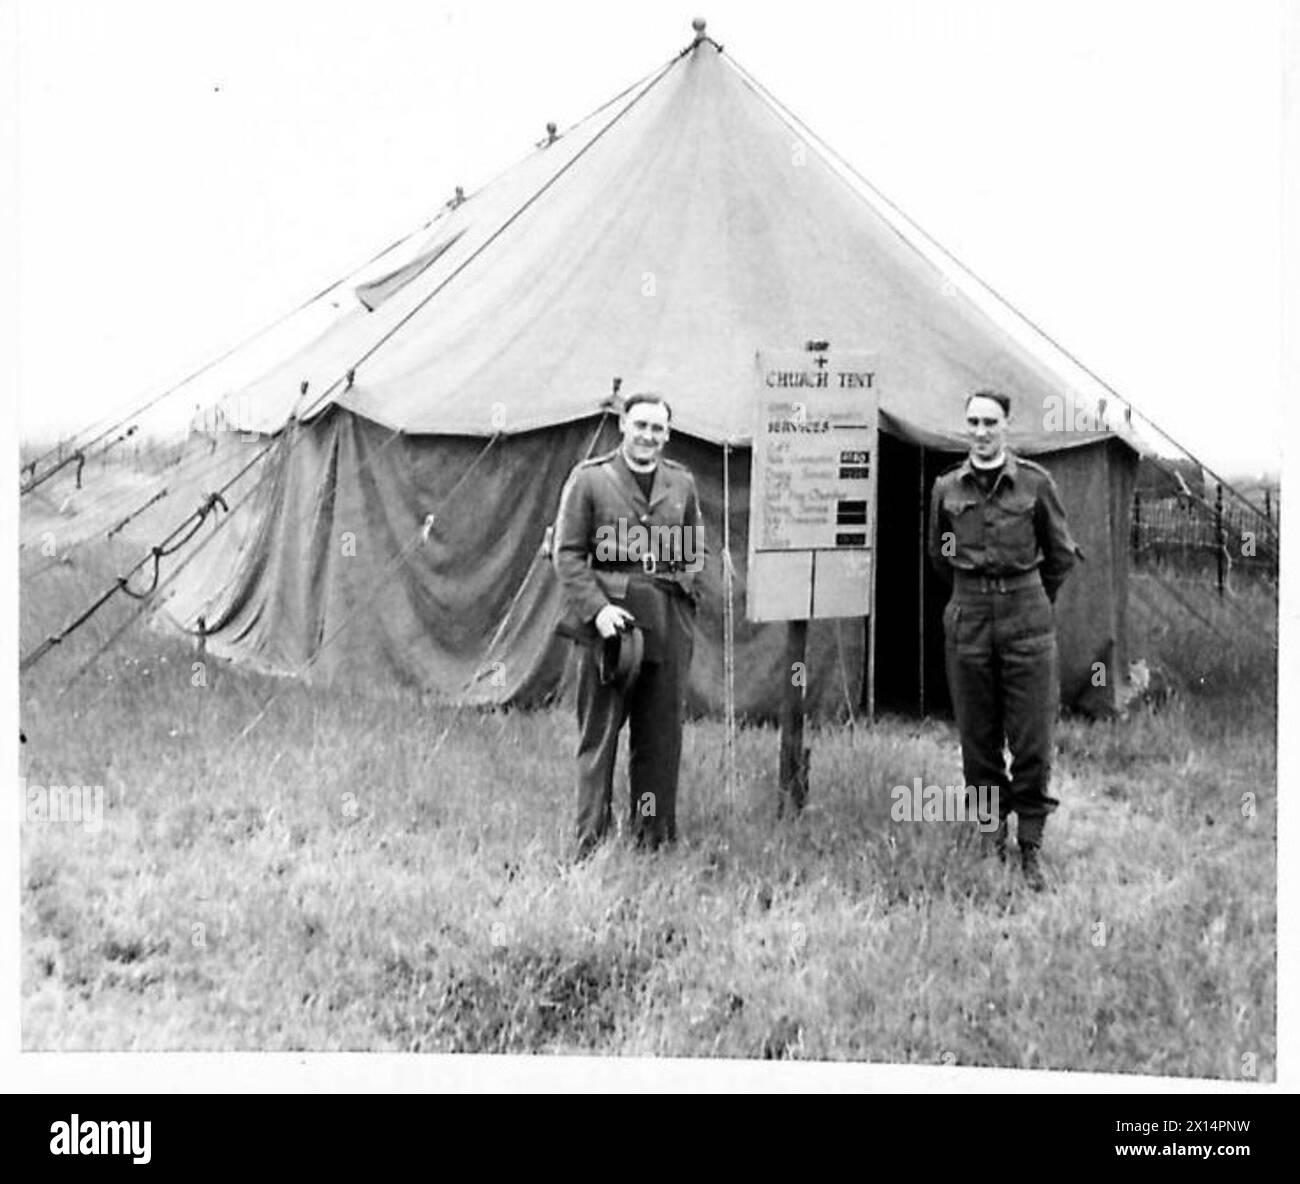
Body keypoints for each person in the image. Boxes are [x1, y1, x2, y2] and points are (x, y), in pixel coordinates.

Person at [927, 390, 1081, 890]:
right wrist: (973, 598)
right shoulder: (946, 489)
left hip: (1027, 618)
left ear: (1006, 426)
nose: (980, 430)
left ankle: (1030, 843)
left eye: (990, 421)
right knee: (978, 737)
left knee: (1033, 737)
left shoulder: (1035, 485)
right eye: (972, 420)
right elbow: (940, 555)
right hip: (969, 618)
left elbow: (1059, 555)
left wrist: (1027, 600)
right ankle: (991, 834)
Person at [552, 393, 706, 859]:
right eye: (641, 425)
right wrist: (599, 609)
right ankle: (590, 843)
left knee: (660, 742)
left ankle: (652, 840)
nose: (648, 437)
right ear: (623, 425)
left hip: (666, 627)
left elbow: (693, 550)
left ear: (668, 435)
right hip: (609, 633)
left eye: (658, 429)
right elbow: (568, 554)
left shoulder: (681, 484)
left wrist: (673, 575)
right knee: (599, 740)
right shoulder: (591, 480)